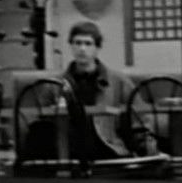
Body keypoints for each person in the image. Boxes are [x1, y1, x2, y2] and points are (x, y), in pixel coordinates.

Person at [59, 21, 159, 159]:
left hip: (109, 147)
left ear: (97, 48)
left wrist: (146, 151)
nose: (82, 49)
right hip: (70, 148)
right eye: (77, 43)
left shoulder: (119, 81)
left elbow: (140, 118)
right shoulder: (58, 83)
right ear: (71, 46)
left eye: (88, 44)